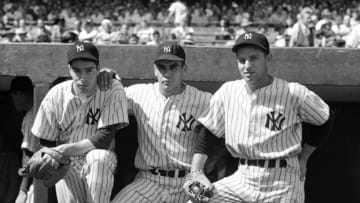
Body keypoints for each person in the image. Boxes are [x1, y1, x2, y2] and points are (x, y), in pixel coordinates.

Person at [184, 32, 335, 203]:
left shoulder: (293, 92)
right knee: (197, 200)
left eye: (254, 58)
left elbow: (325, 118)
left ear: (268, 58)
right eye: (242, 60)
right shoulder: (228, 91)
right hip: (242, 177)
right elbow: (208, 131)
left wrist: (304, 157)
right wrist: (196, 172)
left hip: (283, 180)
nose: (247, 65)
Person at [101, 42, 213, 202]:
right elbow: (109, 98)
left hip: (188, 181)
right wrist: (108, 75)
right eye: (162, 67)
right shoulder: (139, 93)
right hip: (148, 180)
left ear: (184, 69)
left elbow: (225, 124)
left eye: (174, 67)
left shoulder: (203, 100)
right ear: (155, 69)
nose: (167, 73)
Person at [30, 42, 129, 203]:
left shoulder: (111, 88)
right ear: (69, 69)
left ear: (98, 68)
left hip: (100, 157)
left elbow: (104, 138)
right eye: (77, 71)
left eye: (89, 70)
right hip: (66, 163)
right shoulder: (56, 95)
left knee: (99, 158)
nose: (83, 78)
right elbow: (45, 141)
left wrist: (62, 150)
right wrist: (47, 156)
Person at [0, 76, 33, 203]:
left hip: (34, 181)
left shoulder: (30, 118)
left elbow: (29, 155)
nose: (13, 101)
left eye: (13, 96)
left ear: (19, 94)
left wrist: (22, 191)